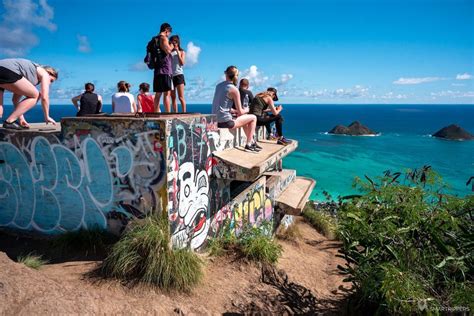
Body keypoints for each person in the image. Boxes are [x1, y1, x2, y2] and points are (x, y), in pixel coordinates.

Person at [212, 66, 260, 152]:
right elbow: (241, 112)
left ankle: (252, 141)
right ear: (236, 76)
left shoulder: (218, 86)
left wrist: (233, 110)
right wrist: (248, 109)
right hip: (226, 122)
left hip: (216, 121)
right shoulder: (234, 89)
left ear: (225, 74)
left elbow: (221, 105)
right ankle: (249, 144)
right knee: (253, 118)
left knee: (244, 121)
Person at [0, 58, 58, 130]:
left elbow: (15, 100)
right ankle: (9, 122)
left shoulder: (29, 75)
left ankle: (11, 121)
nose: (49, 83)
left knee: (0, 111)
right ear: (49, 73)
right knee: (36, 95)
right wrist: (47, 116)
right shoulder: (44, 73)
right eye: (51, 80)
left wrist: (21, 119)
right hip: (6, 70)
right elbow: (44, 97)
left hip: (3, 70)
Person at [153, 23, 174, 112]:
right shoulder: (163, 38)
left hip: (157, 69)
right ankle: (168, 114)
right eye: (169, 32)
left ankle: (155, 112)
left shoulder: (155, 39)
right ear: (166, 30)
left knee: (158, 94)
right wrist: (172, 46)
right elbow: (168, 50)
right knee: (167, 93)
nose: (169, 34)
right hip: (165, 69)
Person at [169, 35, 186, 113]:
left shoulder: (182, 52)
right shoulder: (169, 53)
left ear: (178, 42)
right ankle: (175, 113)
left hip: (179, 75)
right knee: (173, 97)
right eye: (172, 42)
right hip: (171, 76)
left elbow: (182, 63)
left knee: (181, 97)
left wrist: (178, 53)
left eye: (175, 42)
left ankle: (184, 112)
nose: (173, 43)